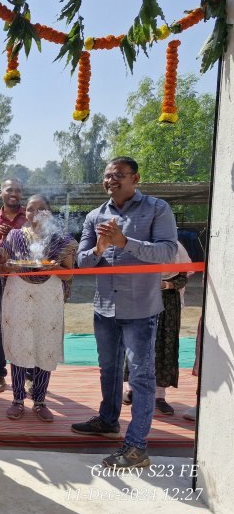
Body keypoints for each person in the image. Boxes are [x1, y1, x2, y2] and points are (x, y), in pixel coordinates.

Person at [72, 156, 177, 469]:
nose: (111, 181)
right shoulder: (96, 215)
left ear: (136, 178)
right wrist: (101, 249)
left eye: (119, 175)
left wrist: (124, 241)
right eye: (107, 176)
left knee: (142, 377)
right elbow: (82, 262)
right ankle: (108, 420)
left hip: (140, 308)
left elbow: (168, 253)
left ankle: (136, 448)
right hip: (104, 307)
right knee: (109, 370)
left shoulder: (157, 209)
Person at [0, 195, 77, 422]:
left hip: (48, 296)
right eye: (31, 209)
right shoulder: (14, 236)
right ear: (25, 213)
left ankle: (40, 401)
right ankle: (17, 399)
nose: (35, 213)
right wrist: (10, 266)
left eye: (41, 209)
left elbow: (68, 273)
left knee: (44, 343)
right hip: (18, 294)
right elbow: (0, 267)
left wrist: (50, 266)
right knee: (19, 343)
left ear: (49, 213)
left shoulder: (62, 239)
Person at [122, 241, 193, 415]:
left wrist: (167, 285)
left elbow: (183, 275)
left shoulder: (176, 246)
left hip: (168, 304)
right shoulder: (140, 242)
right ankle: (133, 389)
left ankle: (159, 396)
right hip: (142, 299)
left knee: (164, 347)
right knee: (138, 343)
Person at [0, 178, 27, 394]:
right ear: (0, 192)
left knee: (26, 327)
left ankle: (29, 375)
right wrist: (2, 239)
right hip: (0, 281)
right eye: (9, 189)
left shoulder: (30, 216)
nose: (14, 193)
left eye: (18, 190)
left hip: (26, 282)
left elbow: (37, 247)